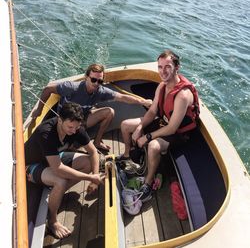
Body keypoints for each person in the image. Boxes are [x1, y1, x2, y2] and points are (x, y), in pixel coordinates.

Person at [118, 50, 200, 202]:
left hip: (179, 133)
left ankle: (147, 185)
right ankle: (127, 156)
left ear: (177, 68)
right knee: (125, 125)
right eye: (160, 67)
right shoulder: (162, 86)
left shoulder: (182, 95)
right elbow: (153, 111)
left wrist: (146, 137)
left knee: (153, 146)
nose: (163, 71)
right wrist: (139, 127)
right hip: (164, 122)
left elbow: (172, 128)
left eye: (167, 66)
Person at [25, 102, 105, 239]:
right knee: (60, 180)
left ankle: (56, 196)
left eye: (77, 127)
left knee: (87, 163)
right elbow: (58, 169)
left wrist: (95, 175)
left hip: (53, 158)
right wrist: (91, 178)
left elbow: (93, 153)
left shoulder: (76, 128)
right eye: (70, 127)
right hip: (31, 165)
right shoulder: (46, 133)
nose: (74, 131)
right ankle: (52, 221)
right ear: (60, 120)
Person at [31, 64, 152, 153]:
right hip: (65, 121)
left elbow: (122, 97)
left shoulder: (100, 91)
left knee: (109, 112)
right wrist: (39, 110)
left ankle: (97, 141)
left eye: (100, 81)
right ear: (86, 77)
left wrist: (143, 102)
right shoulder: (72, 87)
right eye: (93, 79)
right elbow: (48, 89)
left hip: (82, 119)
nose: (96, 83)